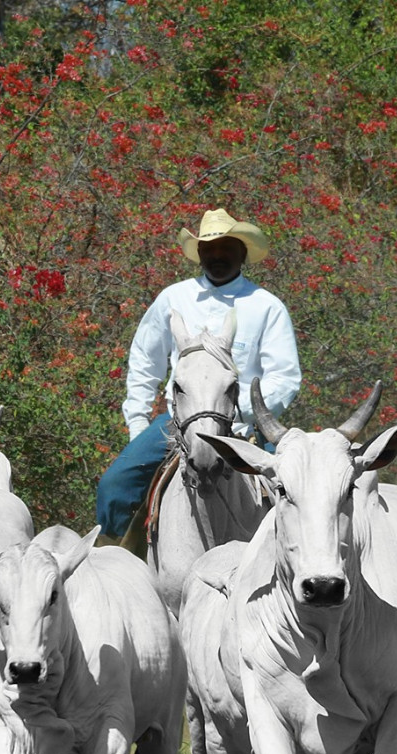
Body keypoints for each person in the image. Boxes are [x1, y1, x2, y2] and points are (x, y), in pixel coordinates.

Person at [94, 208, 302, 539]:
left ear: (242, 253)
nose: (218, 256)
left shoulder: (266, 306)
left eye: (226, 248)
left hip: (243, 425)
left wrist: (241, 414)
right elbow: (145, 363)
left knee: (294, 494)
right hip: (179, 422)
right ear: (199, 254)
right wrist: (137, 425)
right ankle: (120, 566)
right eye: (210, 249)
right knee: (114, 487)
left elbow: (285, 377)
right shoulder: (173, 298)